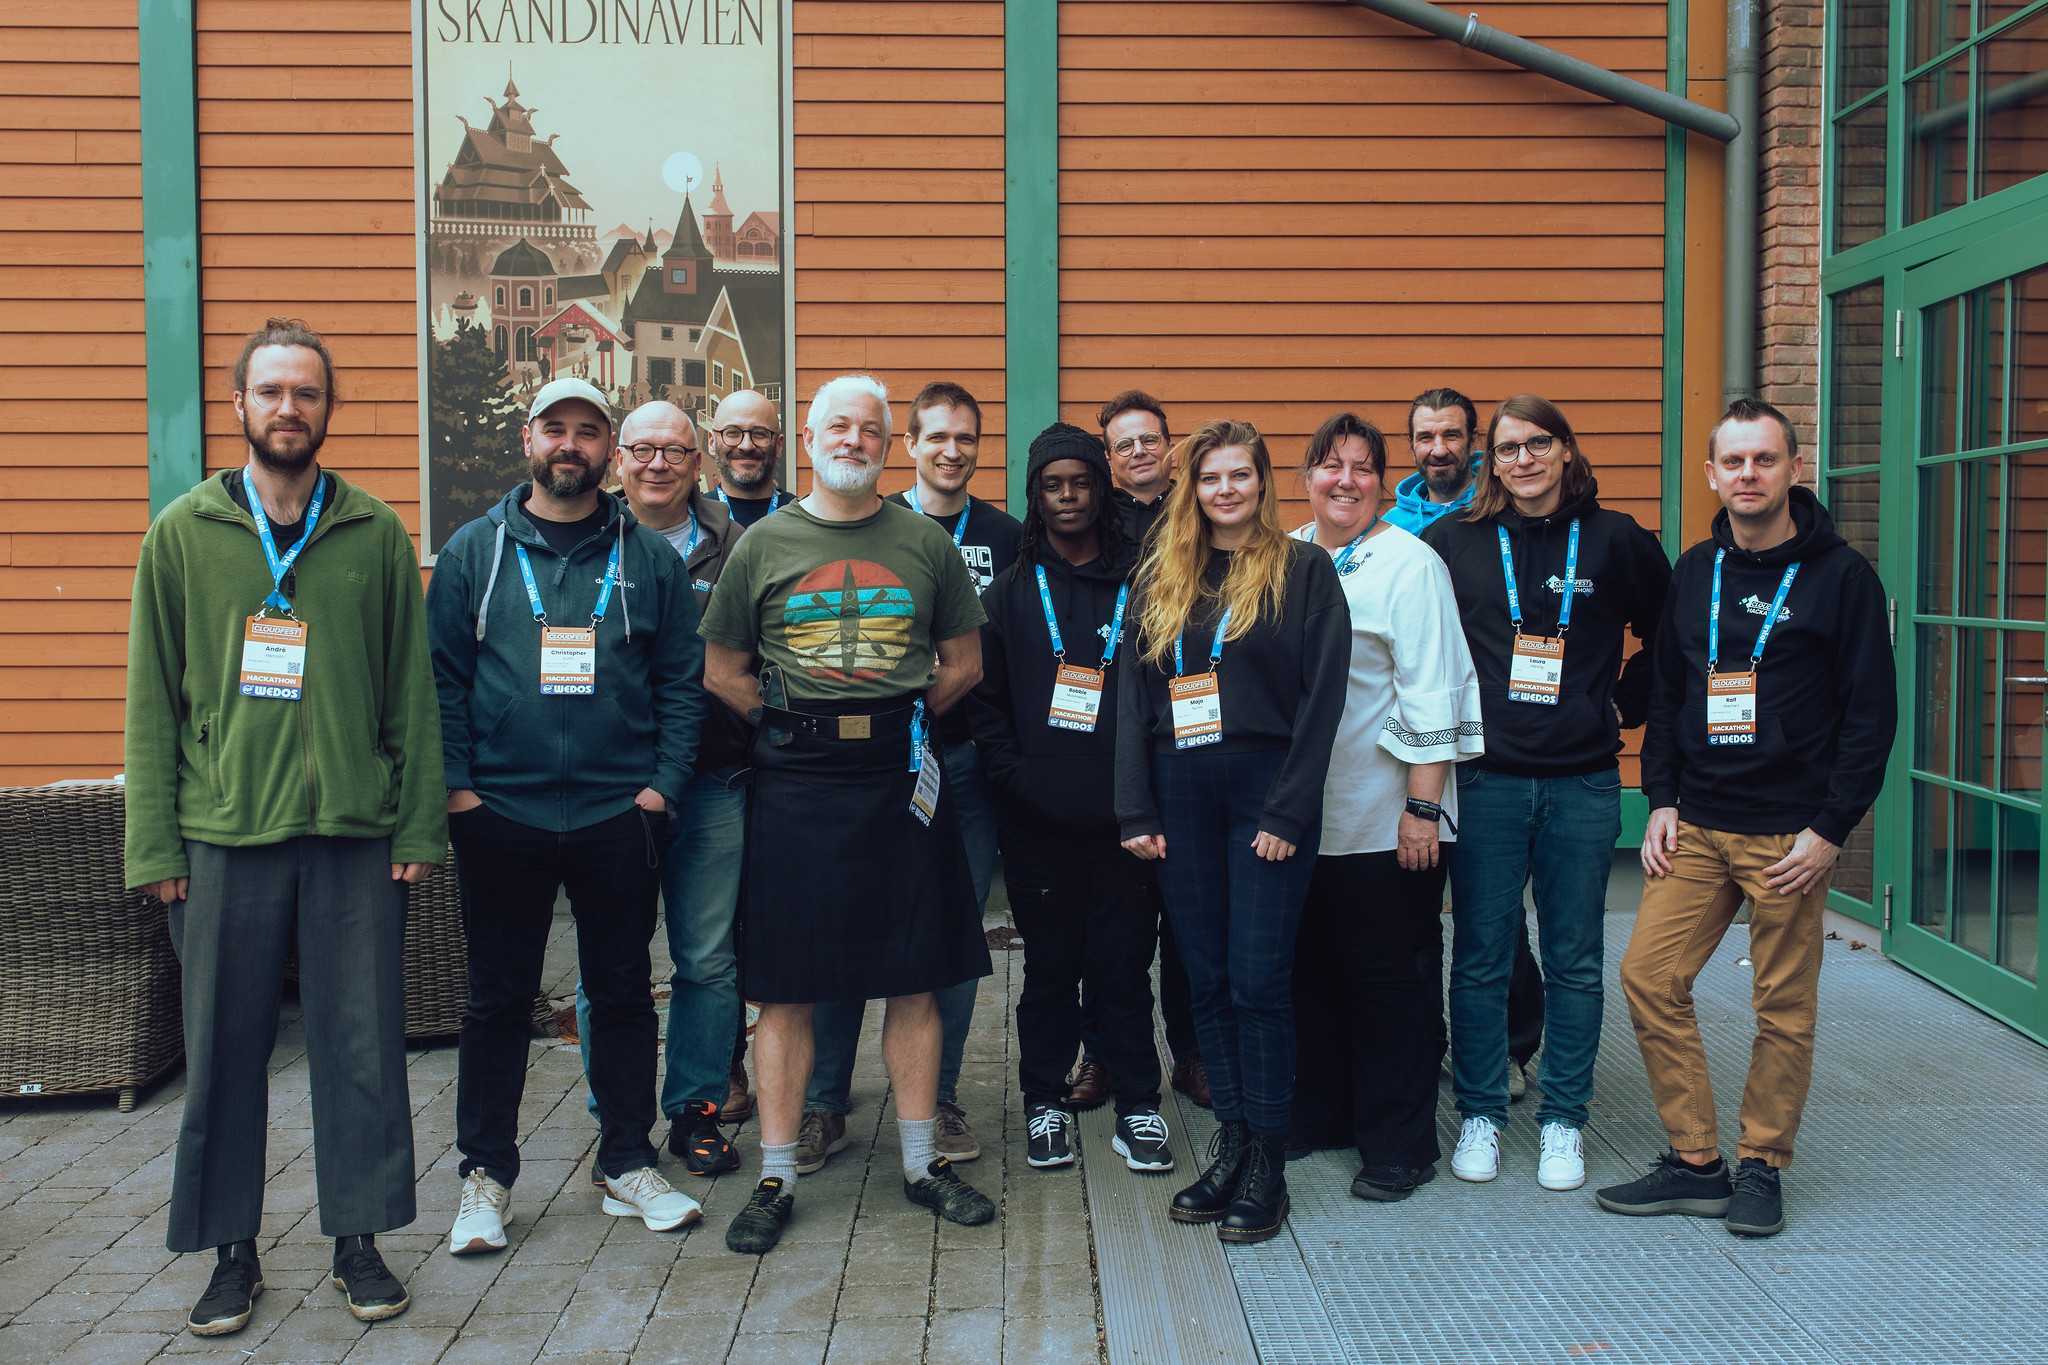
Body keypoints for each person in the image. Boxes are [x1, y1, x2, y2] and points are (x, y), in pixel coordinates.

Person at [123, 318, 444, 1334]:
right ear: (240, 407)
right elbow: (149, 705)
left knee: (359, 1045)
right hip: (224, 835)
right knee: (222, 1049)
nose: (289, 409)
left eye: (306, 393)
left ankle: (359, 1237)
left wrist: (415, 831)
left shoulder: (372, 534)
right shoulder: (181, 535)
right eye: (271, 392)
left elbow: (411, 694)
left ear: (327, 409)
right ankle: (229, 1250)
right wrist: (156, 846)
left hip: (353, 835)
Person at [700, 373, 997, 1256]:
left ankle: (919, 1163)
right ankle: (776, 1174)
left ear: (887, 443)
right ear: (809, 438)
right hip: (795, 779)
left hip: (900, 778)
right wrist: (795, 727)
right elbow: (723, 670)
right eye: (840, 426)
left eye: (871, 429)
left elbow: (964, 663)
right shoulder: (765, 543)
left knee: (915, 975)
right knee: (784, 985)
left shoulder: (924, 543)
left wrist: (886, 724)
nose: (855, 441)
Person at [1597, 399, 1895, 1238]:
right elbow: (1666, 692)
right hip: (1696, 823)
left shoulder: (1843, 579)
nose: (1749, 476)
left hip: (1788, 834)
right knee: (1650, 976)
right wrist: (1659, 798)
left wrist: (1831, 827)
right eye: (1734, 462)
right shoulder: (1696, 569)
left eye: (1765, 460)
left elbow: (1871, 715)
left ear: (1794, 468)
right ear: (1711, 474)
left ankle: (1762, 1165)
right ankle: (1696, 1160)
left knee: (1781, 1005)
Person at [428, 376, 707, 1253]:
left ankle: (626, 1159)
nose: (572, 446)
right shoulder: (474, 551)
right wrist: (459, 789)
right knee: (496, 1000)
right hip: (499, 810)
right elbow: (440, 679)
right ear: (529, 440)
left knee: (623, 991)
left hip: (615, 812)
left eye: (590, 432)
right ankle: (486, 1176)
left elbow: (681, 684)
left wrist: (661, 786)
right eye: (558, 429)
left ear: (610, 452)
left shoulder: (649, 556)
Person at [1423, 395, 1671, 1194]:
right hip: (1486, 779)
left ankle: (1565, 1116)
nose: (1522, 459)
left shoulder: (1616, 539)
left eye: (1537, 443)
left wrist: (1618, 702)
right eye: (1506, 448)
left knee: (1573, 959)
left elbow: (1670, 637)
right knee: (1482, 956)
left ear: (1566, 450)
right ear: (1486, 461)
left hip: (1584, 781)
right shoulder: (1453, 542)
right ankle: (1484, 1112)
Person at [1116, 419, 1350, 1244]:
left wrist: (1290, 810)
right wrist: (1134, 808)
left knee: (1257, 981)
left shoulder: (1304, 570)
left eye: (1238, 476)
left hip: (1265, 796)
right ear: (1194, 488)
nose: (1224, 490)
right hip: (1180, 790)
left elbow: (1325, 699)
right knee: (1205, 980)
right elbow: (1135, 700)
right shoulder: (1165, 572)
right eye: (1210, 478)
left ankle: (1269, 1167)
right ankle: (1233, 1144)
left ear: (1261, 482)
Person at [802, 382, 1019, 1171]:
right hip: (867, 764)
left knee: (947, 939)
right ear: (911, 446)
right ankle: (825, 1101)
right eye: (937, 437)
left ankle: (945, 1096)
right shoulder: (869, 520)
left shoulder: (1008, 535)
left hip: (963, 763)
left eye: (967, 438)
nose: (952, 451)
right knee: (840, 926)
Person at [1284, 414, 1485, 1200]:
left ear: (1380, 480)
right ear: (1307, 477)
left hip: (1386, 815)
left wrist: (1421, 810)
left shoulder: (1411, 564)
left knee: (1389, 983)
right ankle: (1327, 1113)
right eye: (1330, 467)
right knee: (1315, 974)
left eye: (1362, 468)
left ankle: (1400, 1142)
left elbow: (1430, 685)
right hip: (1304, 816)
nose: (1345, 481)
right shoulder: (1291, 555)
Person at [968, 423, 1171, 1173]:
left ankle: (1140, 1106)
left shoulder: (1145, 581)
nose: (1067, 496)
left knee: (1123, 965)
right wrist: (1020, 778)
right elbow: (983, 705)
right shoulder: (1011, 591)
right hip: (1039, 820)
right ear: (1035, 495)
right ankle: (1044, 1100)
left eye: (1080, 482)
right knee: (1050, 967)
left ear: (1101, 488)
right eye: (1052, 485)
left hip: (1128, 819)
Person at [565, 401, 749, 1182]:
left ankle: (697, 1110)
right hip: (610, 787)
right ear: (618, 460)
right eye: (642, 449)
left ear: (699, 459)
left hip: (712, 783)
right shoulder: (576, 540)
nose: (658, 464)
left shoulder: (740, 545)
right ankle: (618, 1114)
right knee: (606, 962)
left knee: (707, 958)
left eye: (675, 449)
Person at [1384, 386, 1545, 1099]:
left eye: (1452, 434)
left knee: (1493, 912)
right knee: (1412, 913)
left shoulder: (1503, 518)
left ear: (1473, 441)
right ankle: (1423, 1045)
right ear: (1411, 444)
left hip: (1491, 748)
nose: (1439, 448)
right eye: (1426, 436)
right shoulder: (1388, 527)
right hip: (1408, 747)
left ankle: (1510, 1047)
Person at [1084, 391, 1208, 1112]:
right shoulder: (1092, 525)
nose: (1138, 451)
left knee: (1186, 920)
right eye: (1123, 442)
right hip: (1107, 742)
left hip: (1188, 735)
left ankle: (1191, 1052)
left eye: (1149, 439)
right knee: (1115, 926)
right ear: (1109, 456)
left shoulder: (1197, 516)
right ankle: (1103, 1052)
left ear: (1170, 443)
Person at [708, 388, 796, 528]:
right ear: (711, 442)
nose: (746, 446)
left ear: (779, 445)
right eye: (732, 433)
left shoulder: (801, 519)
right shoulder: (692, 517)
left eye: (760, 434)